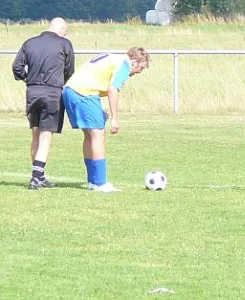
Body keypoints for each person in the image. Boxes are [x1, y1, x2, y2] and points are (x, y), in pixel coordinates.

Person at [62, 47, 150, 192]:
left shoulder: (114, 58)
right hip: (84, 93)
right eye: (140, 68)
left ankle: (93, 181)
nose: (139, 72)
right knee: (98, 136)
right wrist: (115, 118)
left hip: (70, 91)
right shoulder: (124, 64)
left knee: (90, 136)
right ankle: (100, 183)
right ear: (134, 62)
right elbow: (113, 89)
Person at [12, 18, 75, 190]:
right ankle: (36, 177)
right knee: (46, 134)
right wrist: (59, 81)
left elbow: (17, 68)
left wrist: (28, 79)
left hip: (32, 91)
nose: (66, 34)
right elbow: (69, 70)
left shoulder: (29, 43)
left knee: (35, 133)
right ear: (61, 29)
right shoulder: (64, 44)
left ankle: (40, 175)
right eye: (66, 31)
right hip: (52, 92)